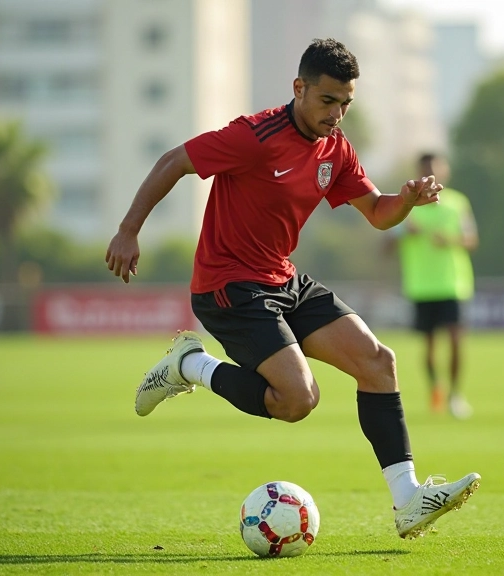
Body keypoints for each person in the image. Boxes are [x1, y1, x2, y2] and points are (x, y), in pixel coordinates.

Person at [105, 38, 479, 539]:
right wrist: (129, 230)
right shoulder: (253, 136)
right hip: (229, 284)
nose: (337, 114)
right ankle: (190, 365)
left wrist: (407, 199)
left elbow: (378, 214)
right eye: (328, 101)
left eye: (346, 103)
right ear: (299, 88)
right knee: (298, 401)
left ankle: (408, 499)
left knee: (378, 362)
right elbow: (175, 160)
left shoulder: (336, 148)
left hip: (284, 278)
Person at [393, 152, 478, 419]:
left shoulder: (457, 203)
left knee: (455, 341)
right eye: (425, 169)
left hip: (453, 283)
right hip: (421, 285)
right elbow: (385, 242)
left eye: (435, 168)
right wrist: (405, 233)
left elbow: (471, 240)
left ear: (444, 171)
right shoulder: (407, 206)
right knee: (429, 348)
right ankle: (436, 390)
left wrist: (451, 240)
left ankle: (455, 395)